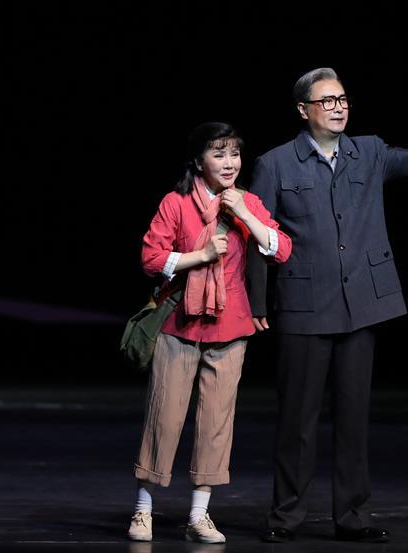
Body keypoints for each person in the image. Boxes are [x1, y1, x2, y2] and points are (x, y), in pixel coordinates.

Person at [248, 67, 408, 543]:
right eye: (327, 101)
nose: (338, 108)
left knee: (353, 419)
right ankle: (285, 518)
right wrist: (256, 301)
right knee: (297, 422)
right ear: (303, 110)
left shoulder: (368, 151)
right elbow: (256, 236)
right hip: (305, 305)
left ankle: (353, 517)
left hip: (361, 305)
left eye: (342, 99)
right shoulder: (275, 164)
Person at [127, 122, 292, 544]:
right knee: (164, 417)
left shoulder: (248, 202)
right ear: (199, 161)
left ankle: (199, 516)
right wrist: (198, 255)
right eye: (218, 154)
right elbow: (151, 258)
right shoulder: (177, 202)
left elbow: (280, 250)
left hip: (230, 324)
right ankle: (143, 510)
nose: (229, 162)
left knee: (216, 422)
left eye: (234, 153)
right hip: (179, 325)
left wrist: (245, 214)